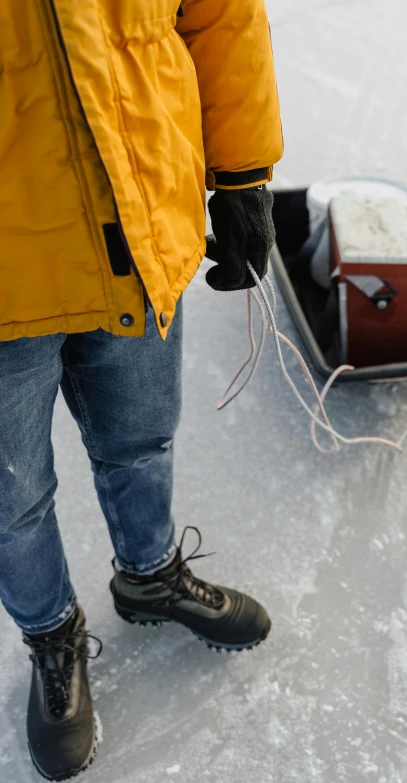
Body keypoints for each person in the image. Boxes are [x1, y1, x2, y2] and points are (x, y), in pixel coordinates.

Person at [0, 0, 283, 778]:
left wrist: (242, 169)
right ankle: (51, 633)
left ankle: (149, 574)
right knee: (11, 501)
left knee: (142, 438)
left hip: (137, 218)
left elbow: (220, 12)